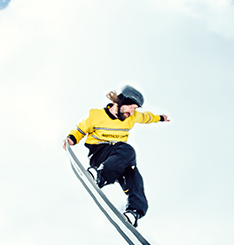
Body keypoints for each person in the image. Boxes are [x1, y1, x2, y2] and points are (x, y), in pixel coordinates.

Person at [62, 85, 172, 228]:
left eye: (135, 109)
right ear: (120, 102)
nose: (132, 112)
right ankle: (99, 177)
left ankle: (134, 212)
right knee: (128, 150)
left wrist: (160, 118)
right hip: (100, 154)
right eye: (130, 107)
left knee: (135, 176)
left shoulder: (132, 117)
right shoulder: (95, 115)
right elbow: (81, 129)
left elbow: (147, 117)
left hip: (119, 159)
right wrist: (71, 139)